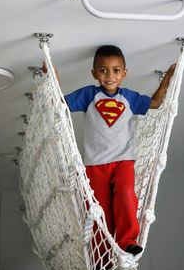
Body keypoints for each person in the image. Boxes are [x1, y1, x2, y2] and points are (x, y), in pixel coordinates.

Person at [43, 45, 175, 258]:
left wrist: (168, 78)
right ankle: (101, 255)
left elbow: (156, 102)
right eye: (103, 70)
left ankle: (127, 241)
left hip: (124, 160)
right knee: (99, 209)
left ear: (124, 73)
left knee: (125, 194)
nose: (109, 75)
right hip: (95, 164)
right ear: (94, 73)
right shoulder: (89, 95)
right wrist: (53, 80)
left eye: (115, 70)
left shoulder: (129, 98)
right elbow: (60, 104)